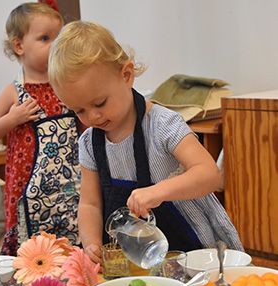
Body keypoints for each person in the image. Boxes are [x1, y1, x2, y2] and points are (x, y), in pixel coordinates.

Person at [48, 21, 244, 265]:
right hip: (138, 262)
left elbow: (209, 175)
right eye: (79, 111)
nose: (92, 117)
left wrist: (157, 192)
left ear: (126, 75)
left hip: (194, 254)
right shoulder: (89, 143)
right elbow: (90, 203)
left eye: (99, 103)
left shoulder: (161, 124)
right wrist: (90, 242)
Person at [0, 3, 82, 256]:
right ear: (19, 46)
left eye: (59, 38)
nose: (55, 45)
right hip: (27, 189)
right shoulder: (15, 90)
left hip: (71, 185)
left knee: (71, 243)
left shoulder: (66, 84)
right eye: (45, 38)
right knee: (33, 252)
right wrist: (12, 118)